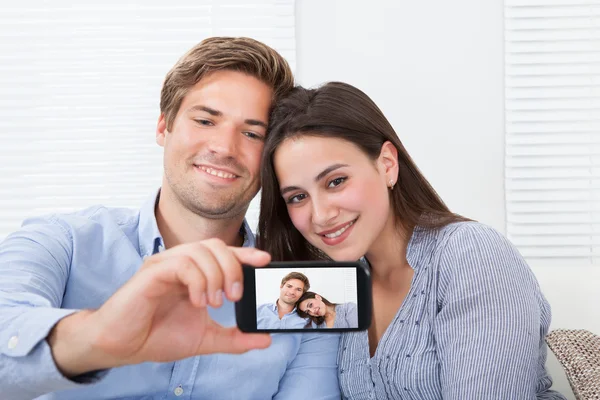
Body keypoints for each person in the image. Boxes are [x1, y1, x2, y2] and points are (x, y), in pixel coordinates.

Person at [0, 38, 340, 400]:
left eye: (252, 133)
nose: (224, 148)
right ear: (164, 126)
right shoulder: (61, 243)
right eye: (205, 120)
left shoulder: (305, 298)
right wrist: (100, 336)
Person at [257, 82, 566, 399]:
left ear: (387, 164)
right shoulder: (338, 288)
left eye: (336, 181)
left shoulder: (472, 253)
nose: (320, 215)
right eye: (297, 197)